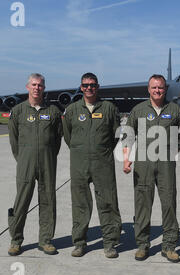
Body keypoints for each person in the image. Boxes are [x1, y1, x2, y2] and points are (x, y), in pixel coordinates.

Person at [122, 74, 180, 263]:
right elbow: (127, 135)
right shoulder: (139, 110)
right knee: (142, 204)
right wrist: (126, 160)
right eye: (154, 88)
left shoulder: (175, 110)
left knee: (169, 204)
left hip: (166, 163)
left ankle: (169, 246)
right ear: (148, 89)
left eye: (160, 88)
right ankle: (142, 245)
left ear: (165, 89)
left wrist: (174, 149)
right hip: (143, 163)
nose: (157, 91)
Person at [62, 72, 122, 258]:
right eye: (86, 85)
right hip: (79, 163)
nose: (89, 88)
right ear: (81, 87)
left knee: (108, 202)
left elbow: (116, 134)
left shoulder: (109, 108)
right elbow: (67, 135)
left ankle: (110, 243)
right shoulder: (72, 110)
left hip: (103, 163)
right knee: (80, 204)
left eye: (92, 85)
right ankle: (79, 242)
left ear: (98, 87)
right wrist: (81, 150)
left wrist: (101, 150)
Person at [7, 73, 63, 256]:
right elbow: (14, 140)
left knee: (48, 201)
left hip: (47, 162)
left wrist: (48, 155)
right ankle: (16, 240)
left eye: (40, 85)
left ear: (44, 88)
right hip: (26, 163)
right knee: (21, 201)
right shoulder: (18, 111)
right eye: (34, 84)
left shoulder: (53, 111)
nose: (37, 88)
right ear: (27, 87)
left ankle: (46, 240)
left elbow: (57, 140)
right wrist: (23, 157)